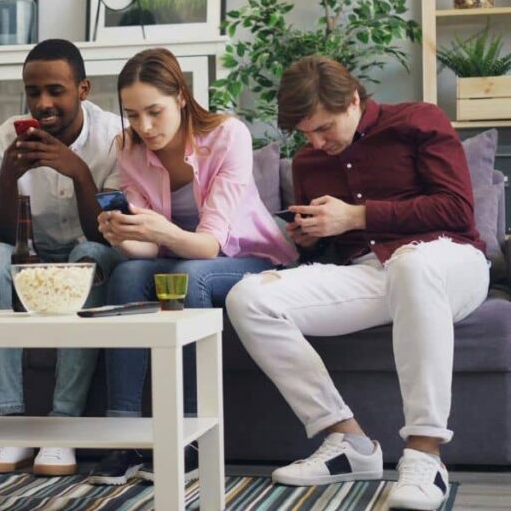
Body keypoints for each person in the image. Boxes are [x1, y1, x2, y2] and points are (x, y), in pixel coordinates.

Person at [225, 55, 488, 511]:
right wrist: (308, 240)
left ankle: (426, 456)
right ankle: (348, 443)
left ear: (352, 99)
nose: (315, 142)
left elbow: (456, 210)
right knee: (248, 297)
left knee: (412, 265)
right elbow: (334, 249)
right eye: (306, 133)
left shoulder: (418, 120)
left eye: (324, 127)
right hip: (372, 273)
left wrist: (359, 215)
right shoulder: (310, 161)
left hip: (450, 260)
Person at [86, 48, 297, 485]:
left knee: (189, 275)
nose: (144, 127)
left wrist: (156, 230)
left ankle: (187, 437)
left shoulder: (227, 136)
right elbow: (146, 254)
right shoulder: (128, 148)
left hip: (244, 257)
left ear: (181, 96)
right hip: (175, 256)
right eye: (132, 115)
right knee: (126, 273)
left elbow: (208, 245)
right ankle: (123, 434)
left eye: (154, 112)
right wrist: (124, 235)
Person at [0, 39, 125, 477]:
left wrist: (76, 170)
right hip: (31, 253)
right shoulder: (8, 136)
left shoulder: (113, 137)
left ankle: (62, 427)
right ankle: (11, 424)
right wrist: (5, 179)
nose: (43, 104)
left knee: (88, 254)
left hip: (93, 245)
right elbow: (6, 235)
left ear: (83, 89)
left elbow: (106, 234)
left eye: (55, 90)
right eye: (33, 91)